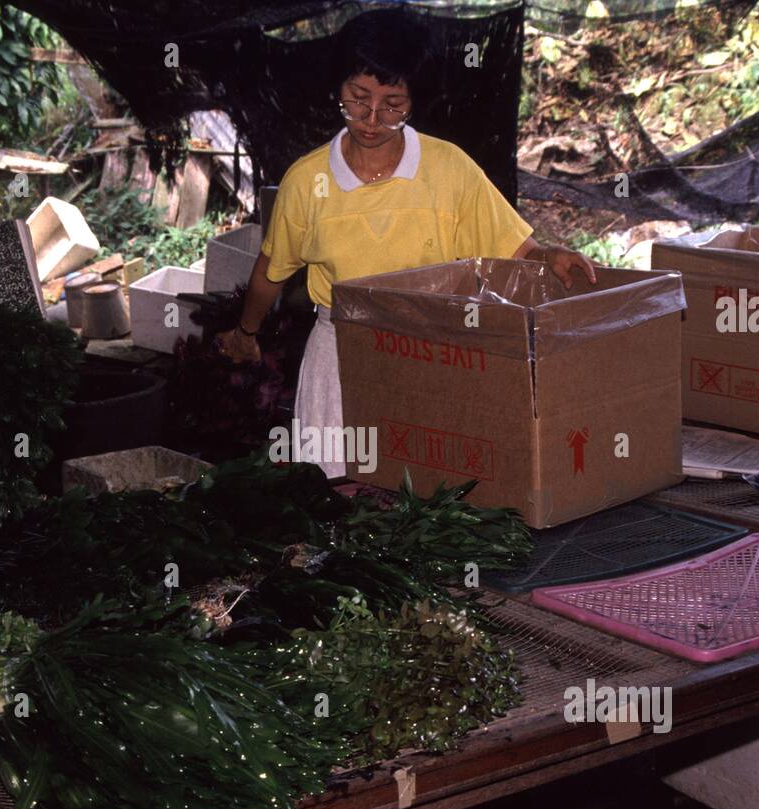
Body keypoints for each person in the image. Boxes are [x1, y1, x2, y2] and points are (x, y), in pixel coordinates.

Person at [217, 11, 597, 477]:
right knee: (337, 492)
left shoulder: (448, 168)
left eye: (393, 105)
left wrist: (547, 257)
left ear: (415, 102)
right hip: (340, 359)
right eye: (358, 100)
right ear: (338, 88)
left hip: (432, 354)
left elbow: (516, 248)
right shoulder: (306, 181)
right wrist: (245, 334)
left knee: (427, 494)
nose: (373, 119)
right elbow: (270, 271)